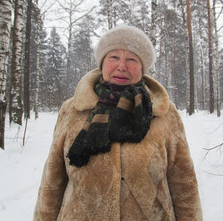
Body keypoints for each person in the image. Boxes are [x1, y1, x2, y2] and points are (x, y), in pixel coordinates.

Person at [33, 25, 203, 221]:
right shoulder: (72, 110)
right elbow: (52, 182)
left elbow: (184, 184)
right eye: (113, 57)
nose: (121, 66)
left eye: (131, 59)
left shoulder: (163, 112)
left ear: (142, 68)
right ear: (102, 63)